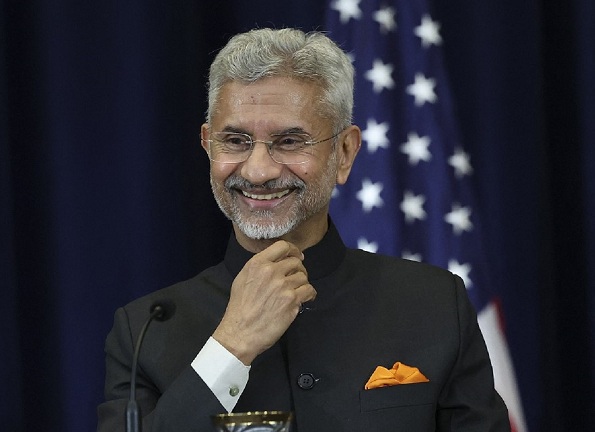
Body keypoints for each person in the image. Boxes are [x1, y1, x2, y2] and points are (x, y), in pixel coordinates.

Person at [97, 28, 510, 431]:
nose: (258, 171)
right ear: (208, 145)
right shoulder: (145, 331)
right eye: (236, 141)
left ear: (344, 152)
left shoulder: (434, 305)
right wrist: (231, 346)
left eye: (290, 141)